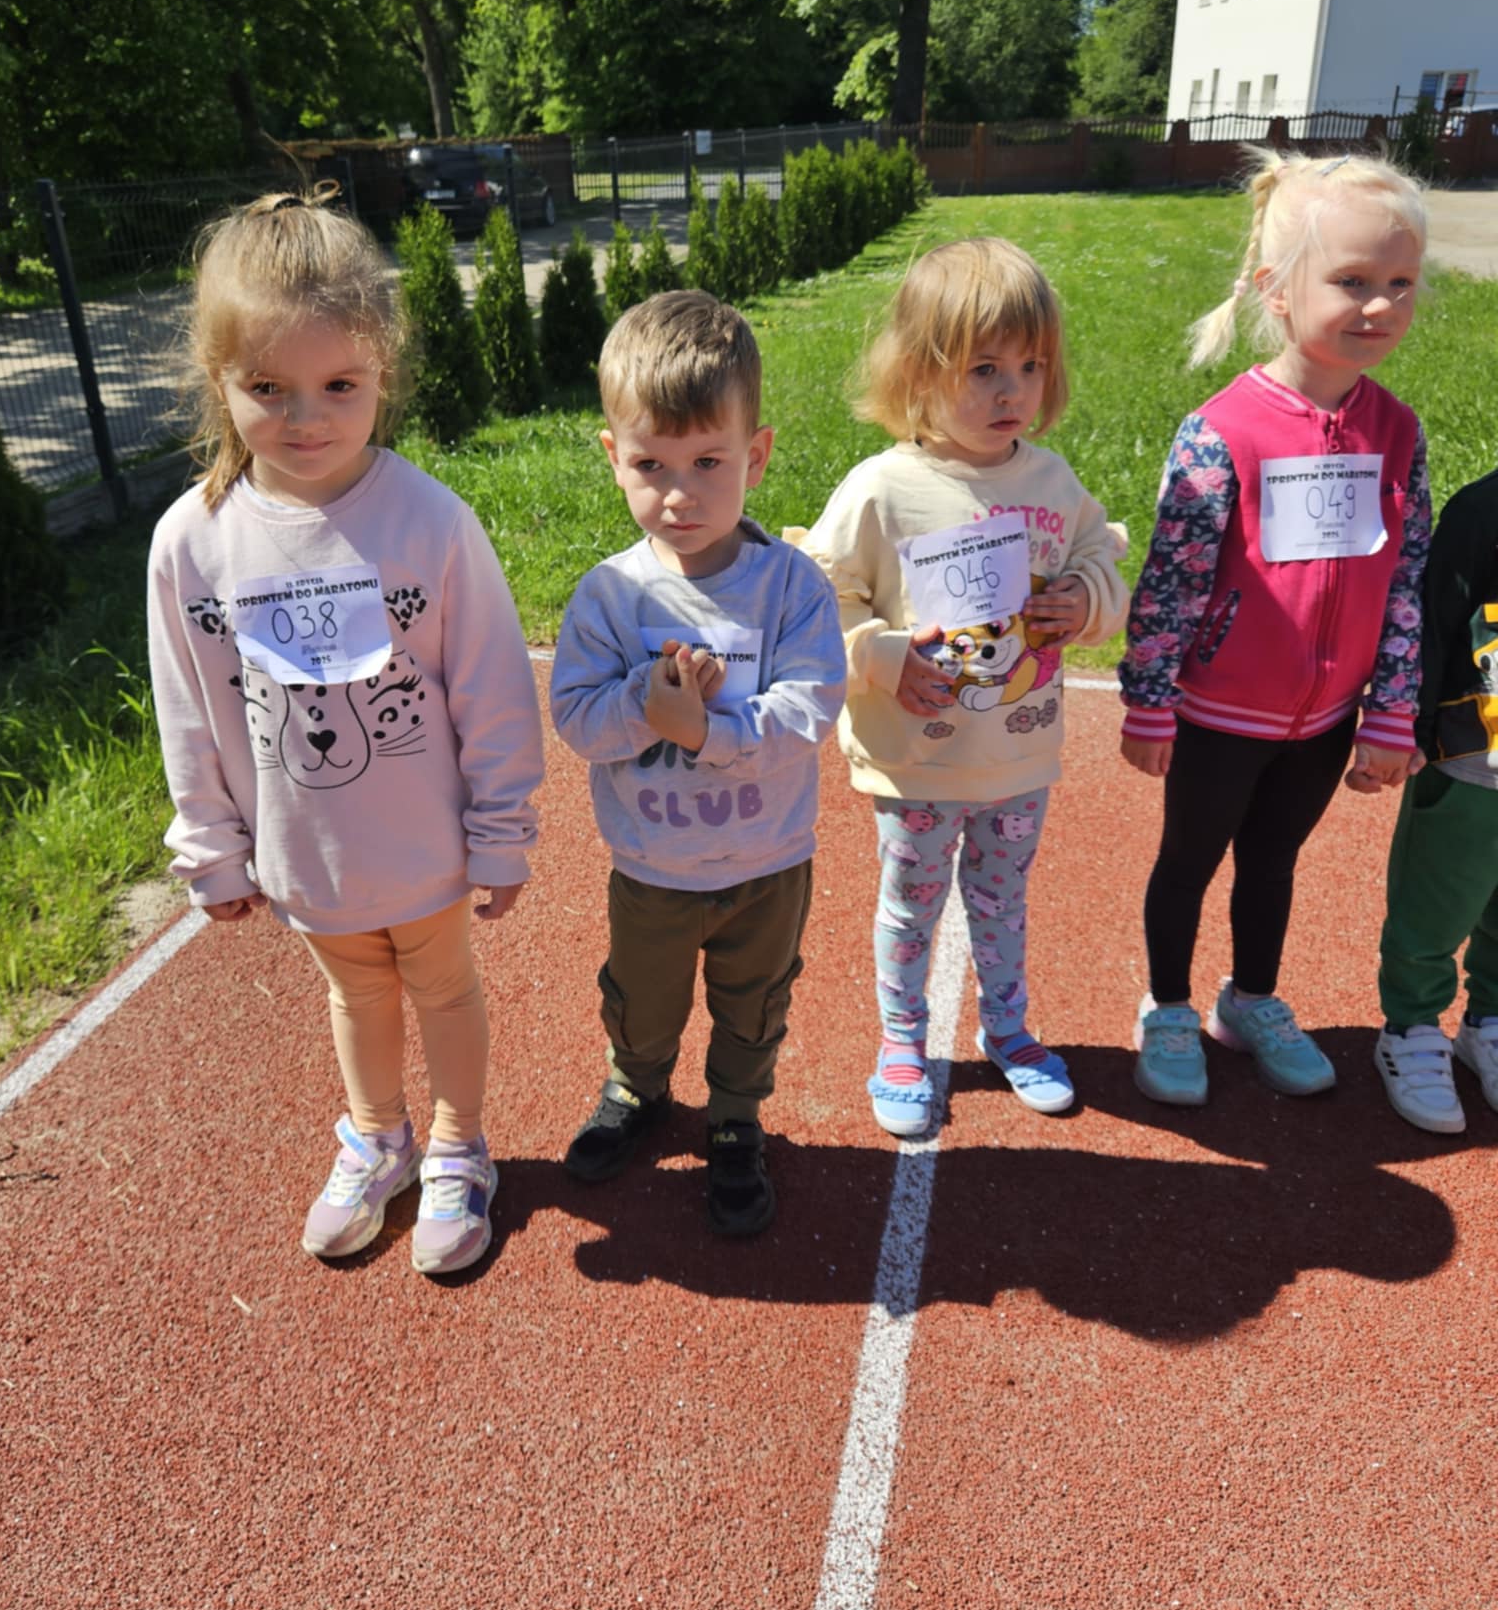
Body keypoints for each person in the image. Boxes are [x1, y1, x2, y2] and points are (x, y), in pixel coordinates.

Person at [147, 185, 543, 1274]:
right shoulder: (192, 542)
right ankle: (378, 1137)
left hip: (424, 851)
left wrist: (503, 829)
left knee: (443, 988)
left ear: (383, 375)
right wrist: (210, 846)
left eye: (339, 385)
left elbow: (492, 686)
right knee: (355, 993)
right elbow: (188, 704)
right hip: (306, 857)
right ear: (219, 381)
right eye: (267, 388)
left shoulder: (430, 521)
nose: (306, 418)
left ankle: (458, 1143)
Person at [795, 237, 1128, 1134]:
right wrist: (883, 656)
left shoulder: (1052, 481)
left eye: (1030, 366)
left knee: (1001, 900)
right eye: (984, 368)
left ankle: (1008, 1030)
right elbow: (820, 599)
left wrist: (1087, 599)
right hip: (918, 764)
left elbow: (1101, 556)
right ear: (917, 371)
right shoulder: (881, 490)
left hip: (1018, 757)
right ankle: (903, 1040)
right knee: (911, 908)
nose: (1011, 390)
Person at [1120, 149, 1430, 1106]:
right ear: (1278, 291)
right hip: (1220, 712)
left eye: (1400, 284)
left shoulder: (1398, 430)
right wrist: (1150, 699)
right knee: (1189, 862)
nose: (1379, 306)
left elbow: (1407, 575)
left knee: (1273, 862)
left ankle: (1249, 999)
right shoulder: (1223, 430)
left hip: (1327, 718)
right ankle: (1168, 1006)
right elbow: (1173, 578)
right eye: (1352, 281)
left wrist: (1392, 710)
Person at [550, 290, 845, 1235]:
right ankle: (636, 1088)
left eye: (708, 462)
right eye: (651, 465)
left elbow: (809, 710)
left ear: (756, 455)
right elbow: (575, 720)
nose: (679, 494)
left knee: (754, 1003)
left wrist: (704, 733)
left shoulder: (792, 586)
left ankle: (734, 1118)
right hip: (653, 867)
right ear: (613, 457)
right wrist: (646, 703)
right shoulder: (608, 597)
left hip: (768, 864)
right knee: (642, 999)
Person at [1374, 465, 1498, 1133]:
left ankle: (1488, 1023)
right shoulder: (1482, 511)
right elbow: (1434, 624)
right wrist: (1412, 728)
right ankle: (1411, 1027)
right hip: (1474, 758)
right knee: (1434, 906)